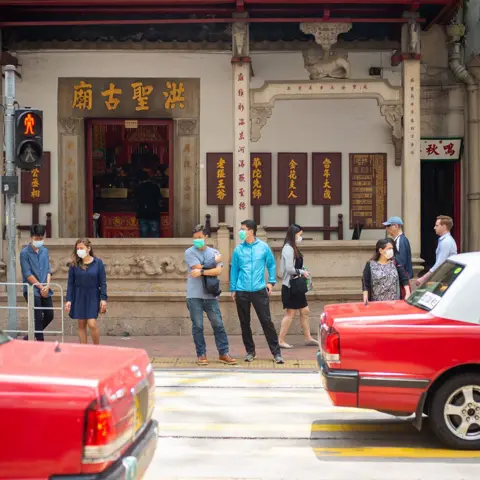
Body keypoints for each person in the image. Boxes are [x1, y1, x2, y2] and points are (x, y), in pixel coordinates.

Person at [230, 219, 284, 364]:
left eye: (243, 229)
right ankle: (250, 351)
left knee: (266, 321)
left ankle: (276, 353)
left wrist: (271, 282)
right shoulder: (238, 250)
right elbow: (234, 269)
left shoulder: (263, 247)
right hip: (242, 290)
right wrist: (233, 289)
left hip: (259, 290)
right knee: (244, 322)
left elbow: (271, 265)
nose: (240, 232)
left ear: (251, 231)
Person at [184, 225, 236, 366]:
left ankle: (223, 353)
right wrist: (213, 262)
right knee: (198, 326)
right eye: (195, 238)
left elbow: (218, 271)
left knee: (218, 324)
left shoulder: (214, 251)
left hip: (211, 295)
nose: (197, 241)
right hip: (194, 295)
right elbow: (196, 267)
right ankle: (201, 354)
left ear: (206, 237)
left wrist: (202, 271)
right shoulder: (189, 252)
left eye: (200, 238)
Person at [278, 224, 318, 349]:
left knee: (304, 311)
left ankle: (308, 337)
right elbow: (289, 269)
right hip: (290, 286)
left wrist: (302, 271)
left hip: (296, 286)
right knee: (290, 313)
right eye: (300, 235)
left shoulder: (293, 247)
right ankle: (281, 340)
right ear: (294, 234)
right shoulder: (288, 249)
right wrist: (302, 272)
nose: (301, 237)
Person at [65, 238, 107, 345]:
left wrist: (104, 299)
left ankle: (96, 348)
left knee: (92, 323)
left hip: (93, 295)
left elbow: (103, 282)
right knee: (81, 324)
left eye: (81, 248)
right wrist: (69, 300)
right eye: (77, 248)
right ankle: (84, 350)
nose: (79, 250)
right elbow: (70, 284)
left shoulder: (98, 263)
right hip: (78, 295)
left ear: (88, 248)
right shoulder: (74, 265)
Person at [19, 224, 54, 341]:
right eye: (36, 239)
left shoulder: (45, 251)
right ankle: (40, 344)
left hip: (45, 289)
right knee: (38, 317)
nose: (38, 241)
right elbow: (27, 274)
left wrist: (47, 286)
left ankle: (28, 337)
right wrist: (40, 287)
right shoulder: (24, 253)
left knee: (49, 316)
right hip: (32, 289)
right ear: (31, 238)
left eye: (41, 239)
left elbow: (49, 270)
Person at [362, 238, 411, 303]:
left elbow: (404, 278)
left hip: (394, 303)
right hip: (377, 303)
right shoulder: (370, 264)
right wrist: (365, 296)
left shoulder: (395, 263)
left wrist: (407, 293)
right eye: (389, 248)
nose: (391, 251)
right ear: (381, 250)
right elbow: (365, 281)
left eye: (392, 248)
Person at [416, 215, 457, 287]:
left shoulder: (446, 242)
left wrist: (423, 278)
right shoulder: (446, 240)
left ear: (444, 227)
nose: (434, 228)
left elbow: (439, 264)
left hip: (445, 278)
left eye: (437, 225)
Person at [135, 170, 163, 238]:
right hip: (154, 213)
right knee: (155, 236)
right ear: (148, 178)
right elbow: (160, 200)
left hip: (142, 214)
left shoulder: (138, 188)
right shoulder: (155, 186)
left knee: (144, 237)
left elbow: (135, 201)